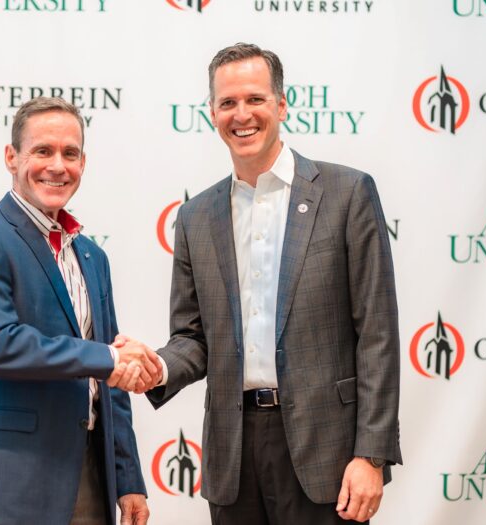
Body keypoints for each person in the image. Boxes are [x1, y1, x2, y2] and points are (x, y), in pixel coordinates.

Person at [140, 43, 402, 524]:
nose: (242, 114)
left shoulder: (347, 194)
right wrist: (155, 368)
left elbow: (378, 335)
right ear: (213, 113)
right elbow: (193, 338)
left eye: (255, 99)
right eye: (228, 102)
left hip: (328, 453)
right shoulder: (195, 217)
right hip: (233, 456)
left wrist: (372, 454)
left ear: (281, 105)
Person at [0, 96, 159, 525]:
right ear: (11, 157)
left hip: (89, 483)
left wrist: (127, 478)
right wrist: (109, 358)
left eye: (70, 154)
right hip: (5, 485)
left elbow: (109, 388)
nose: (57, 166)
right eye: (43, 151)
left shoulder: (92, 256)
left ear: (83, 163)